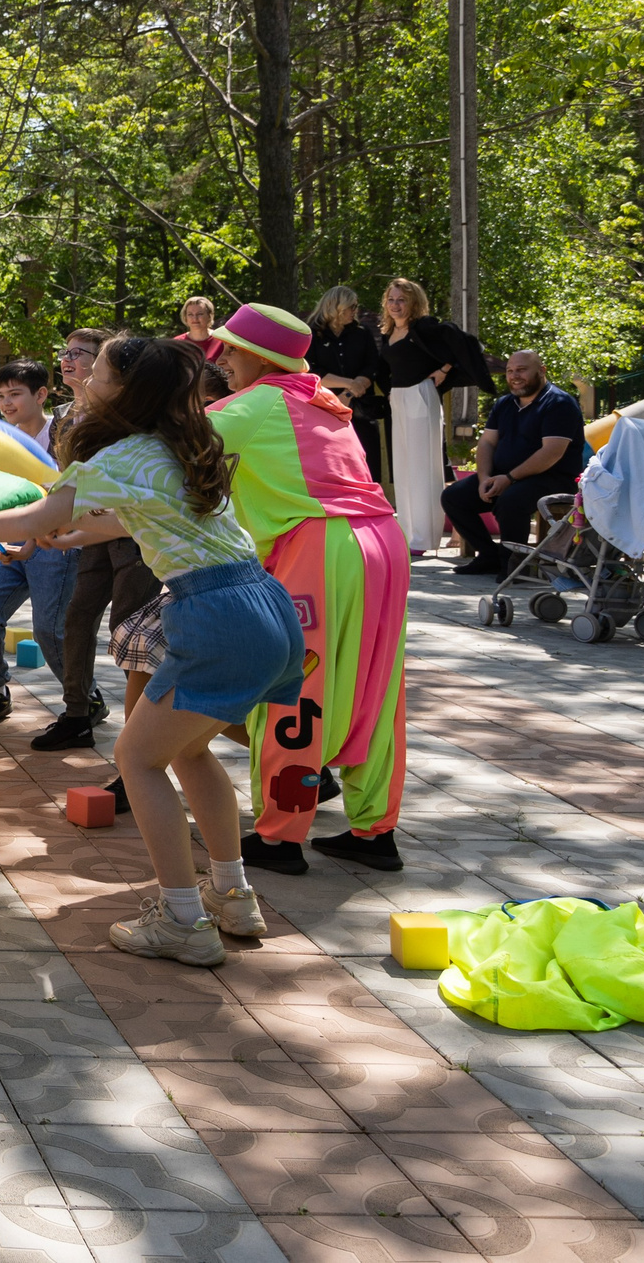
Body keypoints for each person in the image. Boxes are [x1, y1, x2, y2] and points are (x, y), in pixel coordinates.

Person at [0, 335, 303, 968]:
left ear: (126, 391)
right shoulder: (182, 445)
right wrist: (69, 536)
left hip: (213, 614)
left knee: (137, 757)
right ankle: (232, 896)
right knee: (186, 750)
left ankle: (183, 919)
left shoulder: (124, 454)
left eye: (96, 372)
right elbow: (141, 518)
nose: (86, 379)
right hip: (262, 604)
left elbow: (29, 520)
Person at [204, 305, 412, 877]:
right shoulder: (321, 400)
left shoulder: (260, 402)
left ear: (261, 358)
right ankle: (375, 830)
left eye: (231, 350)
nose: (221, 361)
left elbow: (170, 443)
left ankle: (279, 836)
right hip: (381, 542)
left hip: (322, 547)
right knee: (376, 685)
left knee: (295, 685)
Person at [0, 360, 73, 730]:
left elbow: (59, 501)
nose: (6, 403)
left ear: (41, 395)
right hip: (18, 547)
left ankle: (83, 700)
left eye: (15, 394)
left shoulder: (62, 438)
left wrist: (29, 542)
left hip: (56, 545)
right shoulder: (4, 438)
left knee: (50, 632)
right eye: (1, 395)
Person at [48, 328, 142, 750]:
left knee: (128, 632)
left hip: (132, 534)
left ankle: (141, 740)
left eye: (80, 354)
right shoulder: (63, 416)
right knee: (77, 617)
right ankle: (77, 714)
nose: (68, 360)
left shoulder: (125, 416)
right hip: (91, 533)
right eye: (64, 353)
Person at [441, 349, 585, 578]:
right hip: (504, 476)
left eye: (521, 370)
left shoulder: (559, 403)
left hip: (552, 478)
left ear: (541, 371)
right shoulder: (504, 404)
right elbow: (487, 443)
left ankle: (515, 565)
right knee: (454, 497)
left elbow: (552, 453)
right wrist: (484, 478)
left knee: (511, 500)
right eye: (510, 371)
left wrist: (509, 479)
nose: (514, 376)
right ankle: (490, 556)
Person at [380, 278, 457, 555]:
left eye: (401, 300)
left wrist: (444, 370)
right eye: (391, 299)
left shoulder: (423, 328)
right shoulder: (388, 332)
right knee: (403, 467)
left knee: (423, 468)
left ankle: (424, 538)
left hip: (420, 394)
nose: (396, 305)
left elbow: (462, 347)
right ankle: (407, 533)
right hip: (399, 397)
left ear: (413, 302)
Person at [306, 286, 385, 482]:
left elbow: (372, 366)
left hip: (360, 405)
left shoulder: (362, 332)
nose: (354, 311)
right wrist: (349, 384)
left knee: (368, 454)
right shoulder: (312, 334)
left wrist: (349, 394)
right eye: (351, 306)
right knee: (331, 458)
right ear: (336, 307)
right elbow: (310, 370)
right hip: (324, 407)